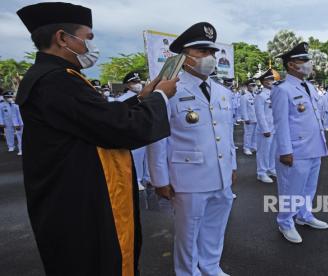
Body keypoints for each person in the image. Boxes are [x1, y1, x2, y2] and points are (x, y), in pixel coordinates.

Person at [16, 3, 177, 275]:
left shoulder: (54, 77)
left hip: (71, 194)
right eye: (87, 38)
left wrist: (142, 98)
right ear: (62, 38)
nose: (91, 46)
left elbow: (96, 118)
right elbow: (119, 128)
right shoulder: (57, 80)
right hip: (80, 202)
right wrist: (160, 97)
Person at [147, 22, 236, 276]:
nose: (209, 57)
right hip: (188, 178)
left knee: (215, 227)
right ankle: (187, 272)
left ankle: (210, 267)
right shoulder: (168, 89)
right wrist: (159, 179)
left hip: (220, 174)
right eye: (201, 52)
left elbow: (226, 132)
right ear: (184, 57)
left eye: (211, 52)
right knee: (188, 234)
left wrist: (232, 165)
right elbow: (157, 138)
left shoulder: (221, 91)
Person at [272, 42, 328, 244]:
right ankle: (285, 221)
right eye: (303, 60)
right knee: (291, 190)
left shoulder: (310, 87)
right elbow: (281, 123)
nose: (308, 63)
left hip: (314, 147)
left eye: (307, 59)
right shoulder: (282, 89)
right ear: (290, 65)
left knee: (309, 187)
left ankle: (304, 215)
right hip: (295, 150)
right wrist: (285, 151)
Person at [255, 68, 276, 183]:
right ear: (263, 82)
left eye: (272, 79)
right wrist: (265, 129)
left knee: (273, 150)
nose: (272, 81)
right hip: (265, 129)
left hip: (275, 127)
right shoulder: (261, 95)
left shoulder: (274, 94)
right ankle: (261, 172)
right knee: (263, 151)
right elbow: (260, 114)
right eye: (269, 79)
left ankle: (271, 169)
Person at [241, 78, 258, 155]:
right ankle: (246, 148)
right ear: (247, 86)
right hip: (249, 119)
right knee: (248, 134)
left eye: (254, 85)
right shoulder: (244, 96)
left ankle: (253, 146)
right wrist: (246, 119)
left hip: (256, 118)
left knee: (255, 134)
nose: (253, 87)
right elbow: (243, 109)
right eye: (252, 85)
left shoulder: (255, 95)